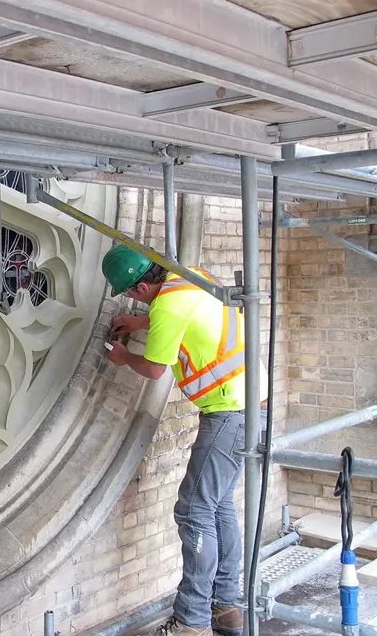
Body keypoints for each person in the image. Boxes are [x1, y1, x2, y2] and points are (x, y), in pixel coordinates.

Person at [101, 244, 266, 636]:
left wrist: (123, 357)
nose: (135, 302)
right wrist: (140, 323)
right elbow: (185, 311)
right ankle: (226, 606)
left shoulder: (166, 308)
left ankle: (191, 621)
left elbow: (155, 369)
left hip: (228, 411)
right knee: (218, 505)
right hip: (251, 403)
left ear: (140, 288)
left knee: (193, 510)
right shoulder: (191, 277)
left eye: (132, 296)